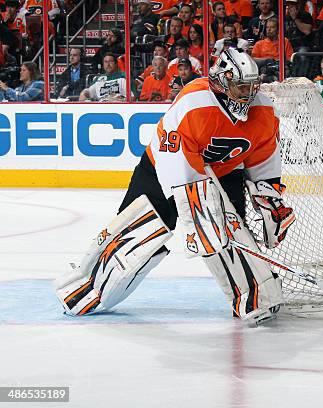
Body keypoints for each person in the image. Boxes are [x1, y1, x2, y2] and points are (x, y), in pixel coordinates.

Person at [55, 48, 296, 327]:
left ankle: (258, 297)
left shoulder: (263, 112)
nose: (247, 94)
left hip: (226, 172)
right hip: (162, 168)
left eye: (251, 87)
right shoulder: (194, 103)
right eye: (240, 86)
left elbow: (264, 160)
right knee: (140, 230)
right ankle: (86, 288)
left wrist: (270, 200)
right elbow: (181, 172)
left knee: (232, 231)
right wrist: (203, 219)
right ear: (221, 82)